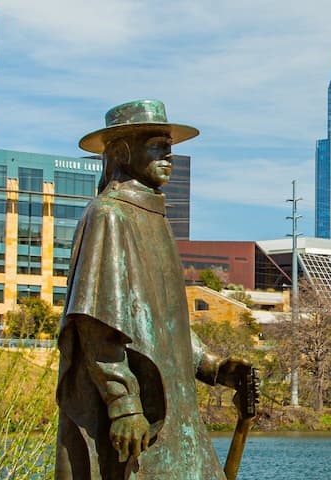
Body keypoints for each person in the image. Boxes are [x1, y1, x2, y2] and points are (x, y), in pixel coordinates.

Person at [56, 100, 257, 479]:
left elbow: (164, 324)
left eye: (170, 146)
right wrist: (124, 404)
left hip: (177, 414)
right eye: (156, 145)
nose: (169, 155)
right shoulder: (108, 215)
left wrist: (212, 366)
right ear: (122, 151)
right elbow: (95, 323)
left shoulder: (155, 217)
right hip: (140, 416)